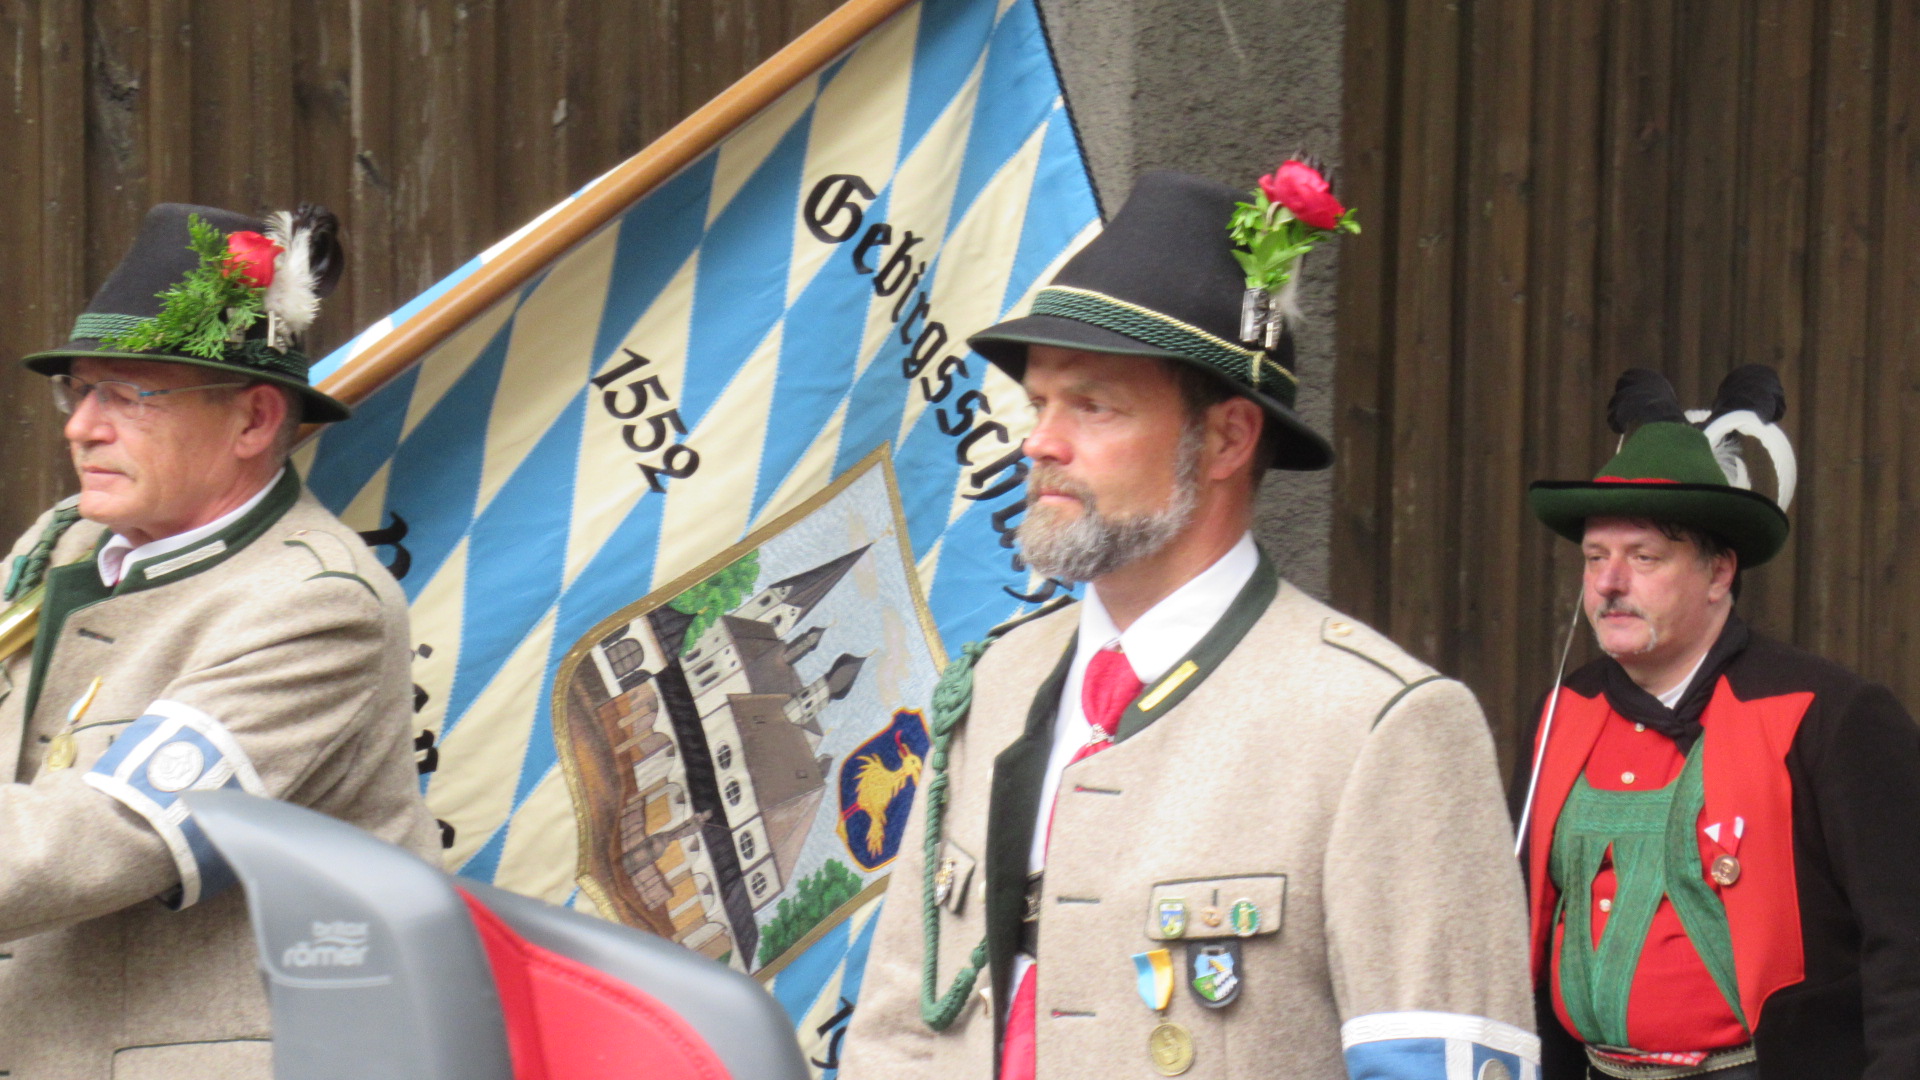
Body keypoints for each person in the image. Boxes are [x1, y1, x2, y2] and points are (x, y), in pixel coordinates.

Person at [840, 171, 1536, 1080]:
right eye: (1039, 403)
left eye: (1092, 405)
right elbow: (900, 1027)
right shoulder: (994, 686)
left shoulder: (1377, 725)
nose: (1040, 441)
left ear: (1227, 440)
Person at [0, 203, 439, 1078]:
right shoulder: (68, 538)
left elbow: (115, 830)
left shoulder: (316, 605)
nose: (81, 426)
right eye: (80, 390)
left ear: (253, 421)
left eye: (128, 395)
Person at [1516, 367, 1920, 1079]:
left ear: (1719, 572)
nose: (1609, 582)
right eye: (1595, 557)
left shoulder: (1831, 716)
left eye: (1644, 557)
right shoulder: (1561, 715)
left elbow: (1907, 949)